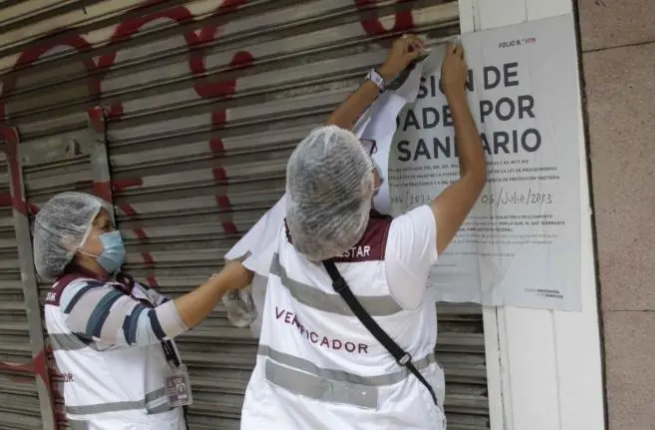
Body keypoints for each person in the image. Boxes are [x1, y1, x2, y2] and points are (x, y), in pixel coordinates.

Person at [239, 34, 486, 430]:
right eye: (367, 164)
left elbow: (327, 143)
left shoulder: (291, 229)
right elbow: (473, 177)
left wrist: (384, 73)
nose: (372, 163)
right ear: (366, 189)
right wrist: (453, 91)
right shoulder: (395, 250)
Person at [34, 192, 253, 430]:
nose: (115, 234)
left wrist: (220, 286)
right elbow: (151, 325)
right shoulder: (77, 295)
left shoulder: (119, 286)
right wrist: (221, 282)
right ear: (71, 242)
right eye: (105, 228)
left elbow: (175, 317)